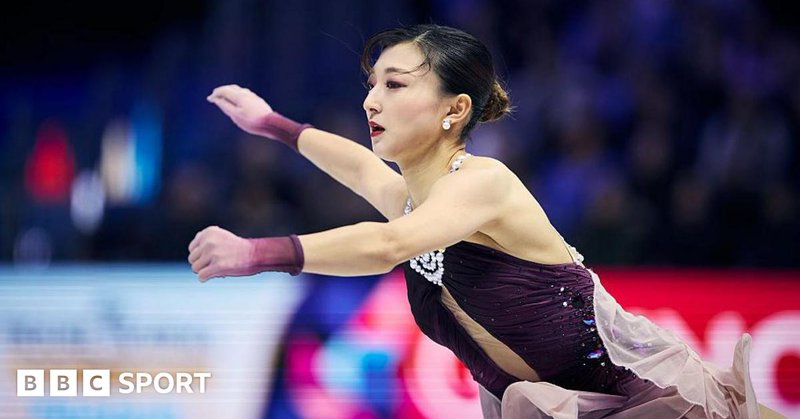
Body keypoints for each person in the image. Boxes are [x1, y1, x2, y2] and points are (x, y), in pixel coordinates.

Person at [189, 24, 782, 418]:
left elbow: (388, 245)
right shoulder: (415, 201)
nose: (371, 101)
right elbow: (355, 167)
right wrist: (271, 123)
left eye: (394, 86)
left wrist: (256, 253)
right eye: (371, 86)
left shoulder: (484, 182)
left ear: (456, 109)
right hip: (553, 405)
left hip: (641, 401)